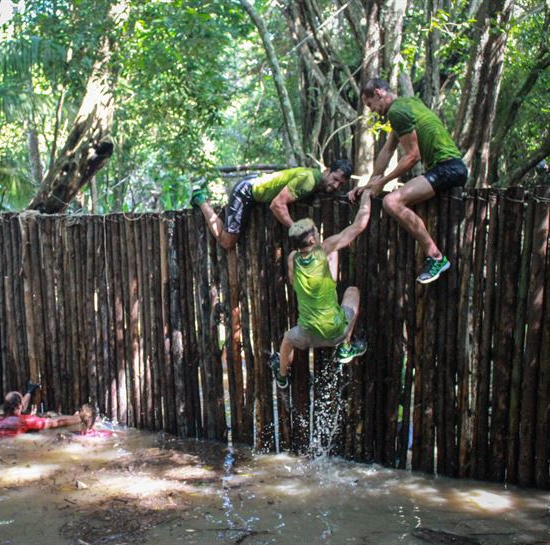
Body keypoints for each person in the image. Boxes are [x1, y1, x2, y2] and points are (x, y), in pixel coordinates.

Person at [348, 78, 468, 284]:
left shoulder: (396, 112)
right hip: (450, 168)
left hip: (448, 168)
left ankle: (436, 256)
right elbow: (388, 150)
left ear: (378, 92)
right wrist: (370, 183)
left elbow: (413, 156)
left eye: (370, 105)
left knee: (391, 202)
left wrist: (382, 182)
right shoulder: (408, 104)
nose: (373, 111)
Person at [270, 191, 372, 390]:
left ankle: (282, 377)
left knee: (287, 339)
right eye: (315, 231)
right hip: (337, 332)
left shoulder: (293, 259)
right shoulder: (325, 249)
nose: (318, 231)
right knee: (352, 292)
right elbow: (359, 225)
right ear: (311, 241)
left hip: (306, 336)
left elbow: (293, 282)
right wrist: (366, 196)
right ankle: (346, 348)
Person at [190, 161, 353, 250]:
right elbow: (277, 205)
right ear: (327, 171)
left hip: (257, 184)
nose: (336, 185)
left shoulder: (318, 183)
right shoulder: (310, 180)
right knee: (227, 242)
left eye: (341, 184)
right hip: (246, 190)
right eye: (335, 178)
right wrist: (296, 228)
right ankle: (200, 198)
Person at [0, 387, 79, 438]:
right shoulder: (25, 420)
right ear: (19, 407)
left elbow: (20, 407)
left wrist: (29, 391)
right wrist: (80, 417)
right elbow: (57, 422)